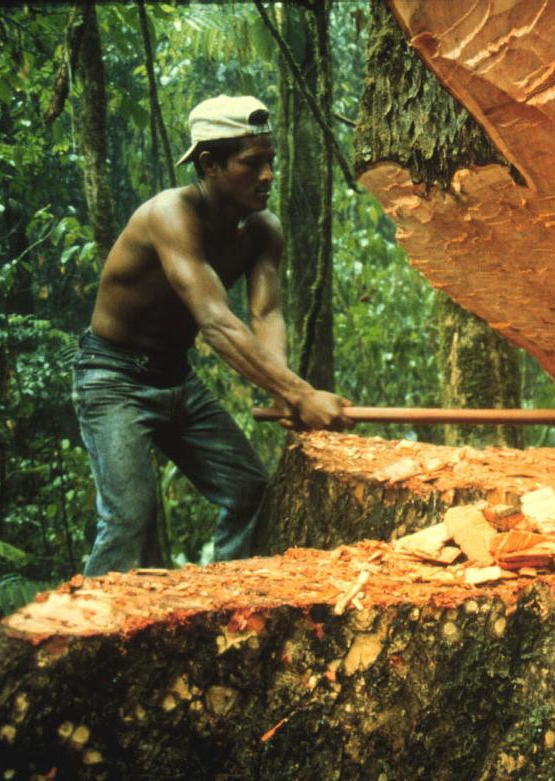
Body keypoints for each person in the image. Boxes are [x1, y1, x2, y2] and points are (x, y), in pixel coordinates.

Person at [73, 95, 350, 576]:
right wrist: (299, 394)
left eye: (271, 161)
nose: (267, 175)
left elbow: (266, 313)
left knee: (247, 490)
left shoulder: (264, 231)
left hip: (175, 377)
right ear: (209, 164)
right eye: (252, 163)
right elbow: (216, 322)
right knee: (129, 519)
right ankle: (85, 645)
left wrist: (284, 389)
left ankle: (228, 609)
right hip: (112, 379)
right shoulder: (170, 215)